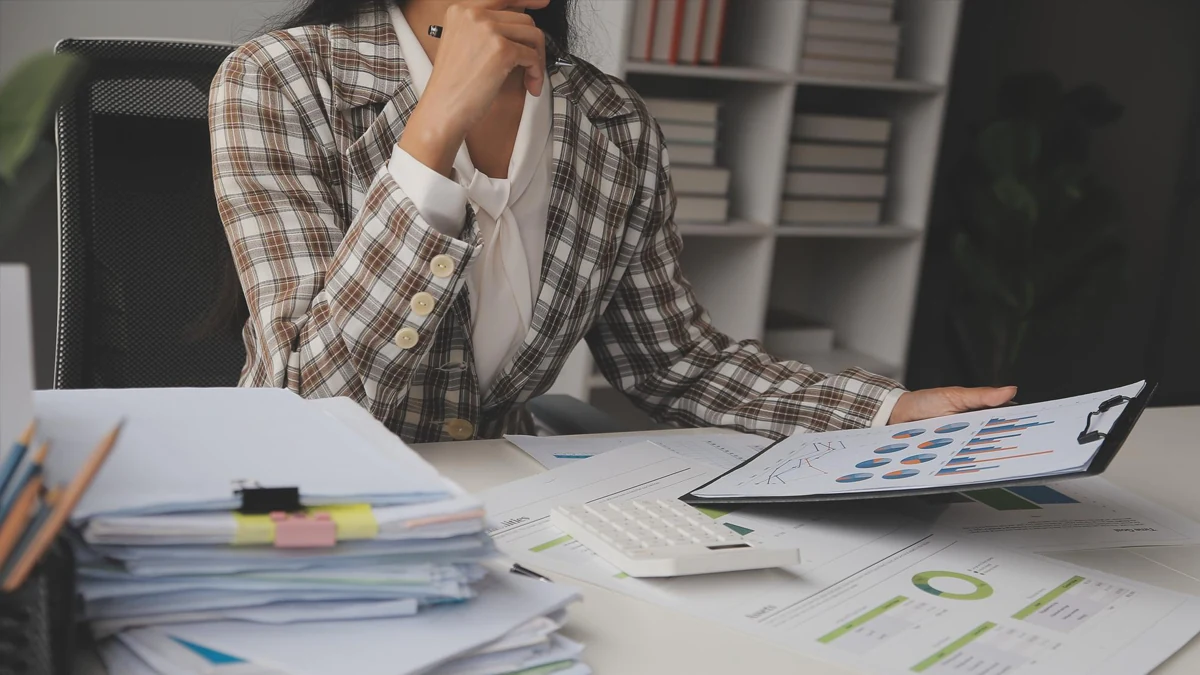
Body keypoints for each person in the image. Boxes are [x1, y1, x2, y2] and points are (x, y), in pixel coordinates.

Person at [209, 0, 1016, 444]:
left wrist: (884, 411)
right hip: (307, 508)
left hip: (508, 510)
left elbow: (678, 364)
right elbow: (306, 406)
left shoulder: (613, 124)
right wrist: (433, 132)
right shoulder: (279, 79)